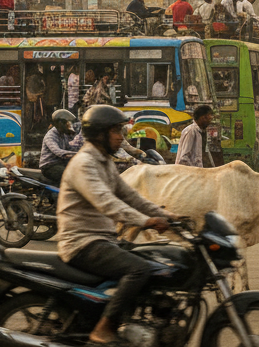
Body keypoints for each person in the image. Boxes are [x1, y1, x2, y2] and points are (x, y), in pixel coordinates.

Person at [59, 105, 178, 345]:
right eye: (115, 131)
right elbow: (107, 203)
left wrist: (169, 215)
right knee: (139, 269)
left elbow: (130, 197)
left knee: (156, 259)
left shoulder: (104, 162)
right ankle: (104, 328)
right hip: (82, 243)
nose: (120, 137)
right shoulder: (84, 163)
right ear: (99, 134)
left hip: (102, 240)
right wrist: (146, 221)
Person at [40, 109, 81, 185]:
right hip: (50, 166)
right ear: (61, 123)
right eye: (68, 124)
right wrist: (78, 154)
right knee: (71, 177)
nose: (70, 126)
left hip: (61, 163)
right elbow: (58, 151)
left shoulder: (63, 135)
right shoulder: (50, 136)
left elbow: (70, 148)